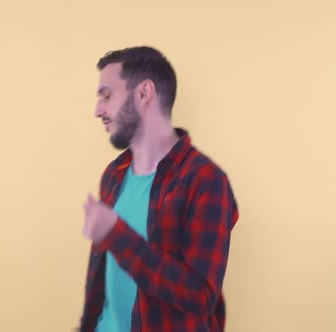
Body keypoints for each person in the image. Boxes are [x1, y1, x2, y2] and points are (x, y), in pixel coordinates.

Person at [79, 46, 239, 332]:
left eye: (107, 95)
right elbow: (102, 281)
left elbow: (200, 297)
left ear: (143, 94)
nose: (98, 110)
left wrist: (116, 234)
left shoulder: (206, 182)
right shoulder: (113, 175)